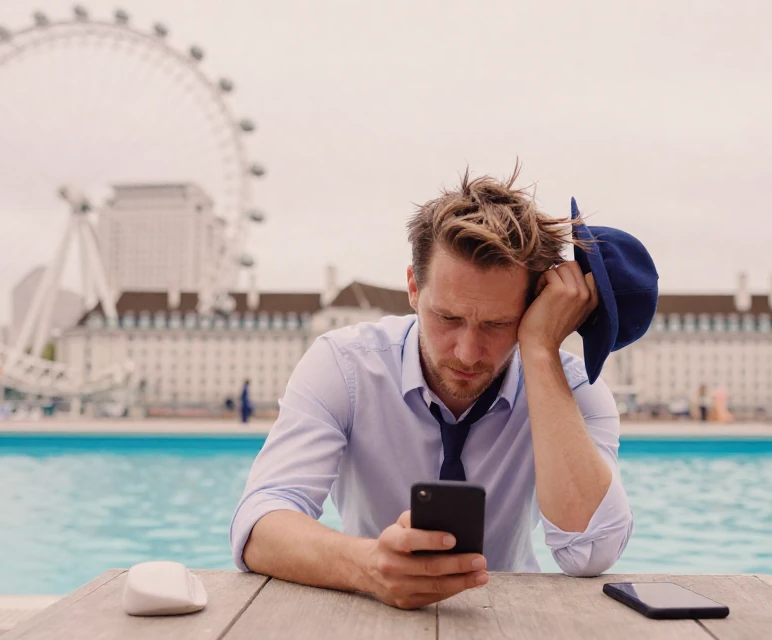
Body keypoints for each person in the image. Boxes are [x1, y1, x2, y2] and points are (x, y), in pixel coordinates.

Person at [229, 168, 658, 610]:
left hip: (513, 619)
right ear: (414, 288)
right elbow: (258, 524)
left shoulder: (574, 390)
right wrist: (369, 565)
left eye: (497, 324)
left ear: (531, 310)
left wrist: (540, 352)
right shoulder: (343, 366)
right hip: (371, 612)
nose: (469, 352)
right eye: (448, 318)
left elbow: (590, 552)